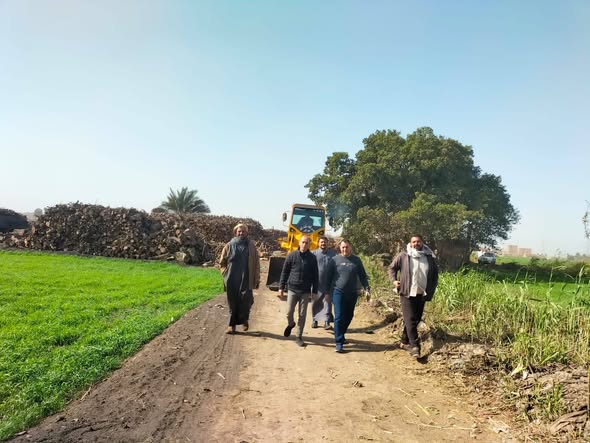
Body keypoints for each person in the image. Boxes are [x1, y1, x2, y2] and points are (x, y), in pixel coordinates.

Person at [388, 234, 439, 359]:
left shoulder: (429, 257)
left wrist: (431, 289)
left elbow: (434, 275)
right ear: (410, 244)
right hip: (407, 293)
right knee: (410, 319)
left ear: (422, 243)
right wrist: (394, 281)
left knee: (415, 319)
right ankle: (415, 346)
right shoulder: (404, 256)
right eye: (414, 242)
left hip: (421, 294)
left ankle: (404, 341)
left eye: (418, 241)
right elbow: (392, 268)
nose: (416, 244)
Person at [326, 239, 370, 353]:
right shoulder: (334, 260)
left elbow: (363, 276)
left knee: (349, 316)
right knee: (339, 316)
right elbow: (328, 277)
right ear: (340, 248)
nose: (345, 249)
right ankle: (339, 342)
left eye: (347, 247)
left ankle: (341, 333)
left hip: (352, 293)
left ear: (350, 247)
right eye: (343, 247)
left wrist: (367, 289)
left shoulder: (356, 260)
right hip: (338, 291)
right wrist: (327, 293)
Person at [219, 223, 261, 334]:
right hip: (232, 278)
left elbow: (256, 264)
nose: (241, 233)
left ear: (247, 233)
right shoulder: (229, 245)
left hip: (246, 278)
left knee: (246, 301)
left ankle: (244, 320)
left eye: (243, 231)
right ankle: (231, 325)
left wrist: (257, 278)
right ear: (235, 233)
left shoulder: (251, 247)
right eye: (239, 231)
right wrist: (225, 273)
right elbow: (222, 262)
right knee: (232, 302)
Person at [279, 235, 318, 347]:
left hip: (305, 291)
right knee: (288, 312)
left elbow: (315, 276)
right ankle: (291, 324)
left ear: (309, 245)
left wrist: (314, 291)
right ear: (299, 243)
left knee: (302, 314)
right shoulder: (292, 255)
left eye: (307, 243)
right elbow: (284, 272)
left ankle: (299, 336)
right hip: (292, 289)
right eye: (303, 242)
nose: (304, 244)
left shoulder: (312, 258)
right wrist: (281, 287)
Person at [311, 235, 336, 329]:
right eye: (321, 242)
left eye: (325, 242)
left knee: (327, 302)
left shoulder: (332, 254)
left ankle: (327, 322)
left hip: (328, 283)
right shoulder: (314, 254)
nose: (323, 243)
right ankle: (315, 320)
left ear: (327, 243)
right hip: (316, 282)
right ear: (318, 243)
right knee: (315, 302)